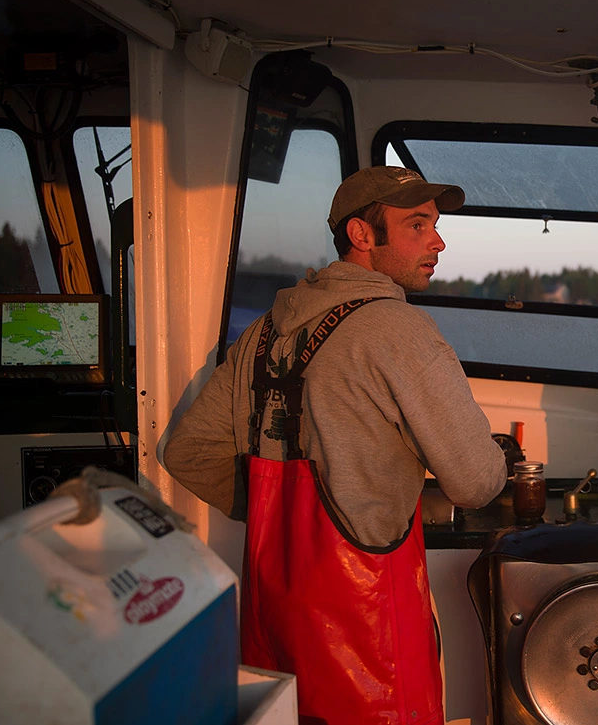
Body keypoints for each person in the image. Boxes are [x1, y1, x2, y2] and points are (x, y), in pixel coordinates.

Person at [163, 166, 507, 725]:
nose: (438, 241)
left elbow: (188, 452)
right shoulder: (397, 329)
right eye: (417, 225)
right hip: (367, 618)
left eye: (436, 225)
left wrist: (287, 527)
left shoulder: (263, 332)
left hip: (273, 605)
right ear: (362, 234)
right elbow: (473, 481)